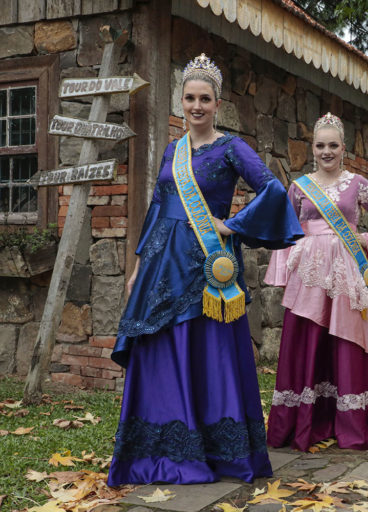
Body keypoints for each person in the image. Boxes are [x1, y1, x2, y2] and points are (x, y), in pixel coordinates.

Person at [108, 54, 303, 486]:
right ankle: (163, 449)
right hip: (162, 264)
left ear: (218, 104)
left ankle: (218, 451)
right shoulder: (172, 150)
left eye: (205, 99)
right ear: (181, 100)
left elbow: (273, 189)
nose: (197, 106)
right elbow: (157, 206)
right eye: (190, 97)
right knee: (163, 350)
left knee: (207, 352)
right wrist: (139, 263)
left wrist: (231, 224)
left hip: (207, 266)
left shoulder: (232, 147)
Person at [264, 112, 368, 451]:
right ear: (312, 148)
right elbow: (287, 231)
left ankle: (351, 421)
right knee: (308, 341)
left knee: (347, 341)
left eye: (333, 145)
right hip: (310, 275)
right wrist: (284, 271)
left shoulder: (358, 184)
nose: (326, 151)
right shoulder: (299, 187)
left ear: (343, 148)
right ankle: (304, 420)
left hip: (346, 271)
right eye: (320, 145)